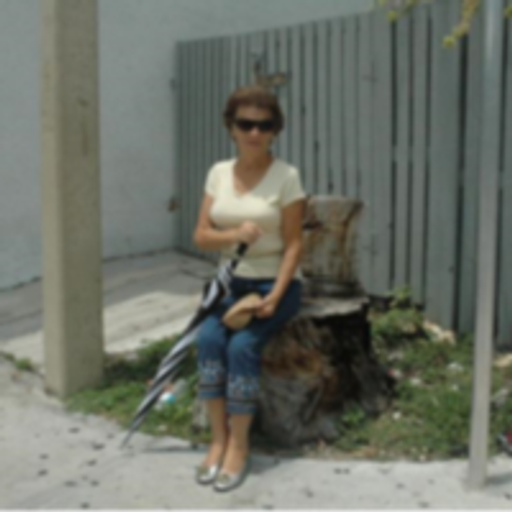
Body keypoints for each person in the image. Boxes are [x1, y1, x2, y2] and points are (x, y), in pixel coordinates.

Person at [192, 85, 306, 492]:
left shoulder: (286, 177)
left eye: (264, 125)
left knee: (242, 347)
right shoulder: (218, 173)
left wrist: (276, 294)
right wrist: (233, 235)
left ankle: (239, 445)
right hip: (230, 283)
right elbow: (201, 236)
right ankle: (218, 438)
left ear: (275, 130)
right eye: (245, 124)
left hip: (274, 282)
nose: (254, 133)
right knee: (208, 341)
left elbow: (294, 244)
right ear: (231, 127)